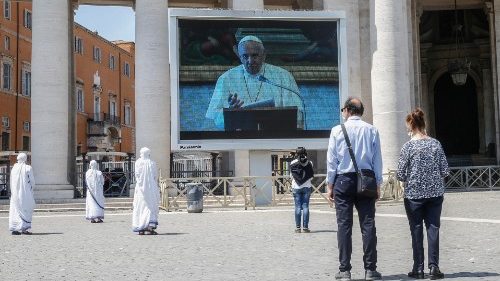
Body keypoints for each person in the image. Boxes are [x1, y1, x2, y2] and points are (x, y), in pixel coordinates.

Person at [326, 97, 383, 280]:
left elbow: (332, 161)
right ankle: (370, 269)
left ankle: (344, 270)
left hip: (343, 180)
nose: (342, 112)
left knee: (344, 225)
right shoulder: (372, 130)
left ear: (349, 110)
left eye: (343, 109)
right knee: (368, 224)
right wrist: (379, 184)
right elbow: (377, 160)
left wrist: (330, 186)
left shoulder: (336, 130)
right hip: (366, 179)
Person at [205, 35, 304, 130]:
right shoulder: (226, 79)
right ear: (240, 56)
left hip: (275, 138)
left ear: (264, 55)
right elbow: (215, 117)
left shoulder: (283, 76)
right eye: (245, 56)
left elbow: (298, 113)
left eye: (254, 55)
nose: (250, 61)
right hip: (241, 140)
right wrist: (231, 112)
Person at [397, 108, 448, 280]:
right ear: (423, 123)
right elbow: (444, 170)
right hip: (434, 194)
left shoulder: (408, 146)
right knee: (433, 229)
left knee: (416, 230)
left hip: (413, 196)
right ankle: (434, 267)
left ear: (411, 125)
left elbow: (400, 174)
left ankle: (418, 268)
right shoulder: (435, 144)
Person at [132, 147, 160, 235]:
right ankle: (149, 227)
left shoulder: (138, 163)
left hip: (140, 190)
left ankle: (141, 226)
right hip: (151, 189)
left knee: (140, 207)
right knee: (150, 206)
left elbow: (137, 176)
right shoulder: (152, 163)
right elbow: (155, 176)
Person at [8, 153, 35, 235]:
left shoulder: (14, 168)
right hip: (25, 193)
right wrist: (31, 190)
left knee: (15, 210)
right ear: (25, 159)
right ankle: (24, 229)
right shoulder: (28, 168)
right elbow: (32, 182)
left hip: (15, 194)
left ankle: (15, 228)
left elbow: (11, 181)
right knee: (26, 208)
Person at [290, 147, 314, 233]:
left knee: (298, 207)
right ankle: (305, 228)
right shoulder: (310, 163)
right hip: (307, 187)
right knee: (306, 206)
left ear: (296, 154)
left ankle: (297, 228)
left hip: (296, 187)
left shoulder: (293, 163)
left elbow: (291, 176)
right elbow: (311, 176)